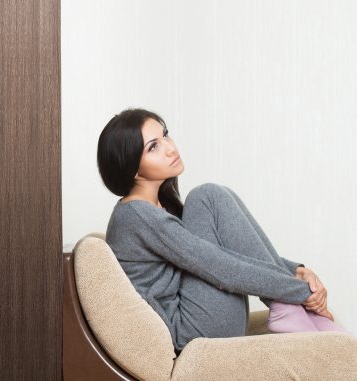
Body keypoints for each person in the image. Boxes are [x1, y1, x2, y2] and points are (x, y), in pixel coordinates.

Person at [97, 108, 347, 352]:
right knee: (207, 196)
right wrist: (300, 292)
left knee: (209, 197)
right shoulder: (137, 215)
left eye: (165, 135)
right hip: (192, 331)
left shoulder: (157, 207)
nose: (170, 147)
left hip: (202, 319)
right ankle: (288, 309)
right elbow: (219, 266)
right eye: (153, 146)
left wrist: (297, 271)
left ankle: (289, 310)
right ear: (133, 169)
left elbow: (224, 251)